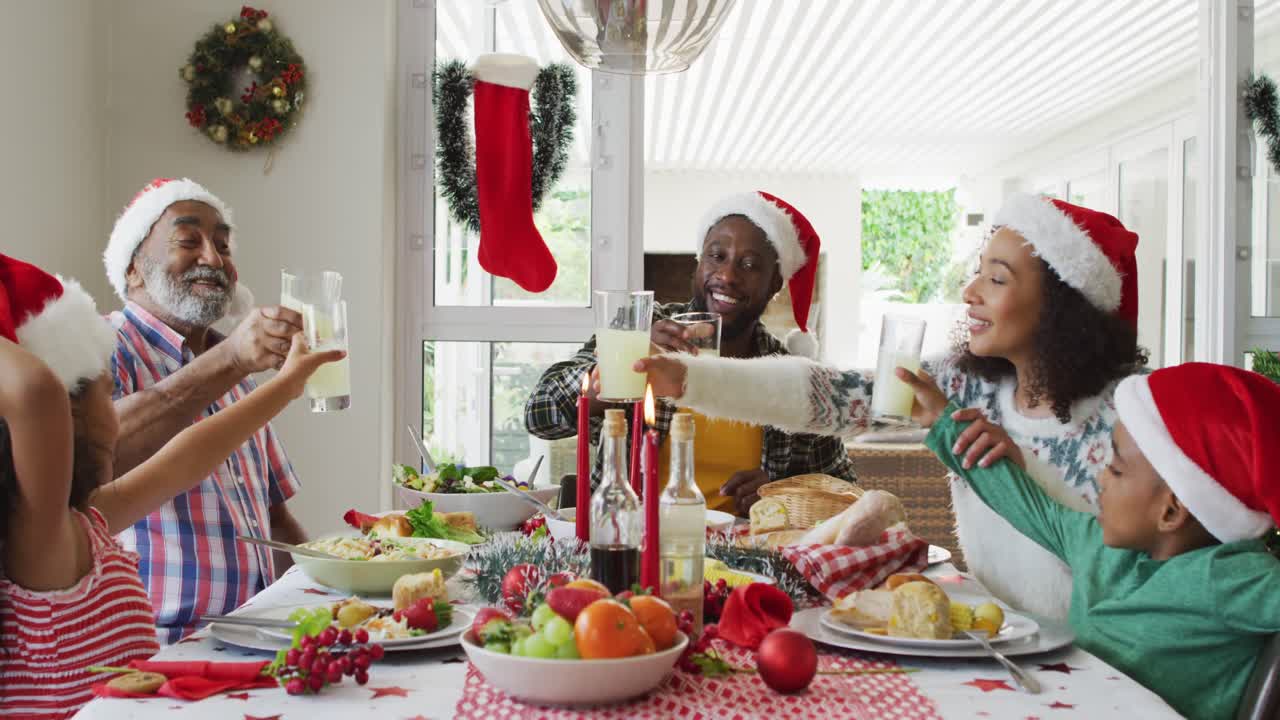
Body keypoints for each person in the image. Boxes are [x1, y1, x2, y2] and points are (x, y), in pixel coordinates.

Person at [637, 193, 1147, 618]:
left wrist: (1020, 479)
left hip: (1101, 656)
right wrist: (688, 377)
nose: (968, 292)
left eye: (997, 278)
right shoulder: (963, 385)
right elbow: (829, 395)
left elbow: (1141, 563)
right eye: (977, 272)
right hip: (998, 632)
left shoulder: (1135, 416)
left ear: (1062, 305)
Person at [0, 253, 341, 718]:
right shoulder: (39, 543)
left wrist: (289, 383)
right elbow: (34, 391)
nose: (118, 413)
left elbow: (190, 455)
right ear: (68, 416)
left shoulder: (88, 524)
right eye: (108, 389)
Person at [900, 361, 1280, 720]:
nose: (1100, 477)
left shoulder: (1229, 577)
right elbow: (1030, 505)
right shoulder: (1101, 546)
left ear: (1170, 511)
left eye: (1115, 469)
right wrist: (942, 421)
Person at [525, 191, 856, 515]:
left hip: (742, 560)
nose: (727, 276)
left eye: (750, 264)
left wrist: (781, 494)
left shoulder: (791, 377)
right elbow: (539, 415)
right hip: (629, 548)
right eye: (717, 255)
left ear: (774, 285)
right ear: (699, 262)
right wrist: (617, 367)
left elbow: (846, 493)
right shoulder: (642, 330)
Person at [102, 178, 309, 643]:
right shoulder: (103, 347)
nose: (213, 259)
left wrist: (326, 596)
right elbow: (98, 464)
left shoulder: (236, 370)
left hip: (256, 636)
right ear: (134, 268)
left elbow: (274, 519)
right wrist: (233, 359)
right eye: (188, 240)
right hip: (156, 647)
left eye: (223, 245)